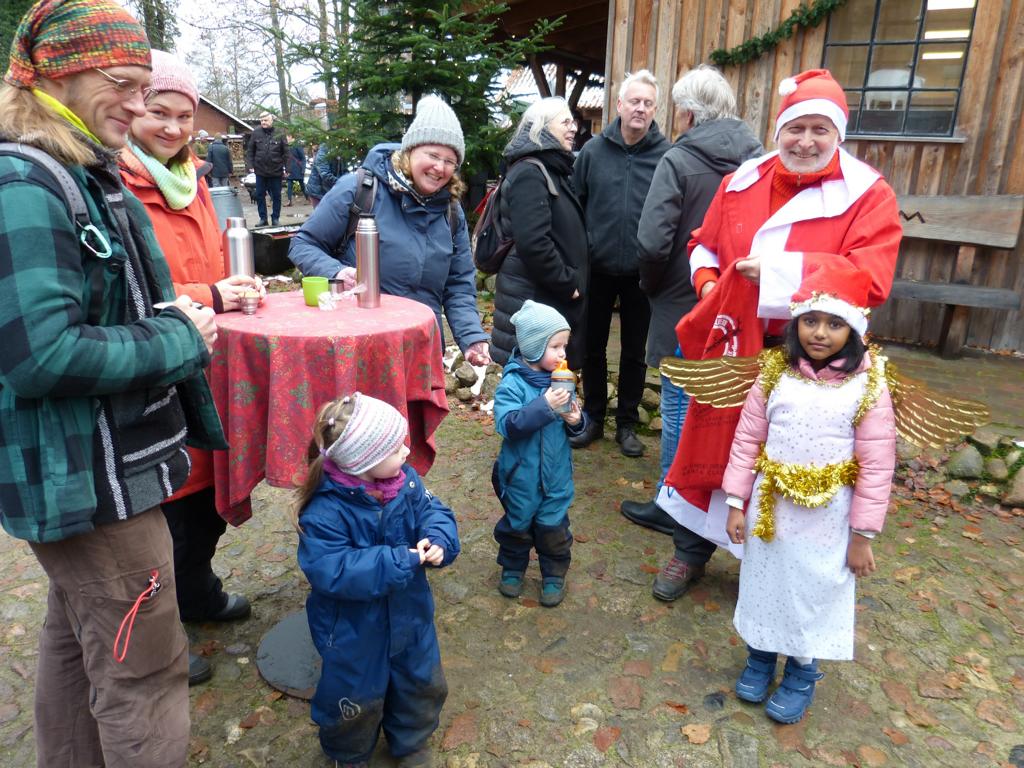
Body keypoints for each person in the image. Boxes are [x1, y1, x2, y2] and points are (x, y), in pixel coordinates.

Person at [0, 1, 226, 765]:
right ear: (59, 73)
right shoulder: (26, 184)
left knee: (77, 644)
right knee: (146, 671)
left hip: (91, 474)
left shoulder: (70, 168)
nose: (138, 104)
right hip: (90, 483)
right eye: (124, 84)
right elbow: (39, 355)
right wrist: (179, 337)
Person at [653, 68, 902, 602]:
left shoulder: (867, 195)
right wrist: (707, 283)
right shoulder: (742, 180)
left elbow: (871, 278)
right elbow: (704, 242)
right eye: (795, 128)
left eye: (820, 129)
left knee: (784, 462)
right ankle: (688, 551)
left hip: (810, 358)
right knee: (711, 446)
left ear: (839, 134)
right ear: (779, 129)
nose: (806, 141)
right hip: (735, 341)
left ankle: (767, 571)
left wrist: (782, 271)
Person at [118, 48, 265, 686]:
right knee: (170, 503)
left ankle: (199, 592)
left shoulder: (193, 180)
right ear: (132, 109)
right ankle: (162, 634)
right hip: (154, 362)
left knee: (205, 492)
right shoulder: (118, 184)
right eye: (159, 112)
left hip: (205, 357)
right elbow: (132, 289)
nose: (174, 127)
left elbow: (202, 265)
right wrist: (211, 296)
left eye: (184, 115)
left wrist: (231, 284)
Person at [722, 256, 895, 724]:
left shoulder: (869, 384)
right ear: (796, 323)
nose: (820, 333)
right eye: (811, 321)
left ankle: (802, 668)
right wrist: (736, 502)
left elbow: (878, 464)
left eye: (835, 323)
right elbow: (746, 438)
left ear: (854, 330)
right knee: (765, 583)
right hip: (770, 509)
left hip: (829, 517)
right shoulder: (774, 373)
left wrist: (862, 535)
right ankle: (760, 654)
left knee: (812, 589)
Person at [620, 66, 762, 544]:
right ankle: (714, 501)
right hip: (741, 307)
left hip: (685, 301)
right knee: (724, 407)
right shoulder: (759, 163)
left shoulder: (678, 160)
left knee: (679, 403)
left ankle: (673, 502)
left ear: (687, 113)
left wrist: (652, 286)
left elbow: (652, 241)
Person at [294, 392, 459, 767]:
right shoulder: (325, 510)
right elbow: (330, 569)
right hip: (353, 631)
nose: (406, 450)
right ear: (364, 462)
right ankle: (349, 753)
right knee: (353, 698)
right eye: (394, 447)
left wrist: (439, 539)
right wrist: (398, 560)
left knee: (421, 683)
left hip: (411, 616)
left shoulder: (407, 482)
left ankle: (411, 742)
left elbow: (434, 510)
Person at [289, 95, 491, 365]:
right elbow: (303, 244)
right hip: (359, 344)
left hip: (421, 348)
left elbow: (459, 285)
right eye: (432, 155)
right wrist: (336, 272)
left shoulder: (451, 211)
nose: (439, 167)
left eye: (450, 160)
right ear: (410, 152)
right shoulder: (359, 190)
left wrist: (471, 337)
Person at [570, 70, 669, 457]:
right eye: (634, 101)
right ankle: (594, 417)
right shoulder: (593, 152)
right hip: (597, 268)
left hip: (643, 273)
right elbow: (575, 205)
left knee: (634, 350)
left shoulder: (665, 156)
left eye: (647, 103)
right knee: (592, 346)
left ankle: (626, 423)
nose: (640, 108)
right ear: (619, 105)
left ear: (655, 109)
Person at [492, 300, 585, 607]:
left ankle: (554, 574)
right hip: (520, 477)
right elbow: (508, 424)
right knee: (517, 526)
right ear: (533, 347)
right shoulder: (513, 383)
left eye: (564, 346)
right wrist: (544, 406)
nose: (563, 354)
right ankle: (513, 568)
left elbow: (576, 423)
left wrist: (575, 421)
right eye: (555, 347)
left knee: (554, 529)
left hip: (556, 476)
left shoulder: (563, 380)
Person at [489, 97, 588, 369]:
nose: (573, 129)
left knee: (549, 393)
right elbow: (534, 243)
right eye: (565, 122)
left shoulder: (553, 170)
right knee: (533, 393)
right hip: (535, 298)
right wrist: (569, 284)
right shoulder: (531, 173)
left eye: (573, 122)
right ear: (542, 127)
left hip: (547, 299)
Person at [246, 110, 288, 226]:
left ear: (271, 120)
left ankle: (275, 218)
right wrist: (250, 166)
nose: (263, 122)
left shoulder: (280, 132)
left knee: (276, 196)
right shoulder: (256, 133)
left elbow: (286, 152)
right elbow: (250, 151)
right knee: (259, 194)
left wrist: (288, 169)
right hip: (260, 170)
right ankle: (263, 218)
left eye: (266, 120)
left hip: (276, 170)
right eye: (261, 120)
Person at [306, 141, 344, 207]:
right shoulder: (323, 153)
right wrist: (342, 183)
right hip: (318, 192)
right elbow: (325, 174)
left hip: (330, 191)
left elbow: (343, 170)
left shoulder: (340, 151)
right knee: (323, 216)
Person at [285, 134, 307, 205]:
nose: (286, 138)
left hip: (298, 169)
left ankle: (308, 198)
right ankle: (289, 201)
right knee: (289, 185)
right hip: (290, 169)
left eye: (287, 137)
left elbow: (303, 158)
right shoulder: (286, 146)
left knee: (302, 185)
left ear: (291, 137)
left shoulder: (297, 145)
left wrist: (303, 169)